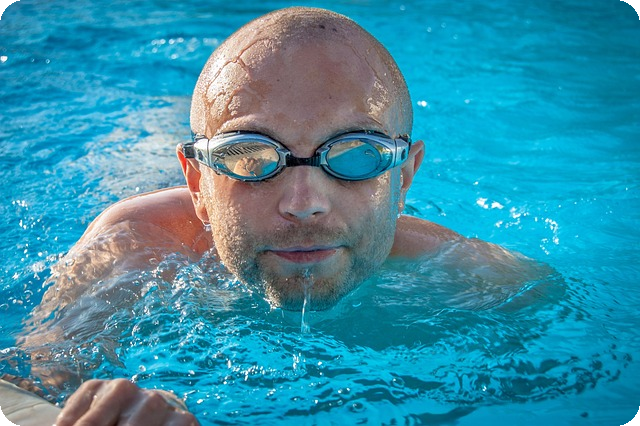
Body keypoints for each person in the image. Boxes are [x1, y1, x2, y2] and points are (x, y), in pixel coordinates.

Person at [8, 6, 546, 425]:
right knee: (138, 141)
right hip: (132, 173)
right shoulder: (136, 243)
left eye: (355, 155)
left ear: (403, 177)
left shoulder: (489, 283)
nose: (303, 202)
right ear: (197, 184)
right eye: (250, 155)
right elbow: (29, 387)